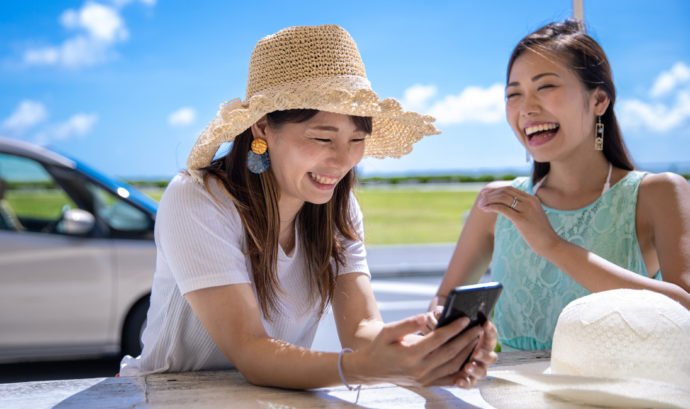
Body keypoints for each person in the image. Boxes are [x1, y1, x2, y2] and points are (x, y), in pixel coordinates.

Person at [119, 25, 498, 390]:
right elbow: (250, 351)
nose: (342, 160)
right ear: (263, 128)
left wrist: (424, 354)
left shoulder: (339, 206)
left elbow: (362, 328)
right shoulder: (197, 198)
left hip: (273, 398)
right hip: (168, 396)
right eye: (322, 137)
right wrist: (362, 368)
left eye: (357, 139)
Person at [428, 20, 690, 351]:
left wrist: (552, 245)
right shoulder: (496, 203)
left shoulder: (659, 193)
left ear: (599, 100)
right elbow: (443, 299)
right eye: (514, 94)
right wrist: (443, 325)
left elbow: (683, 309)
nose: (527, 108)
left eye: (546, 87)